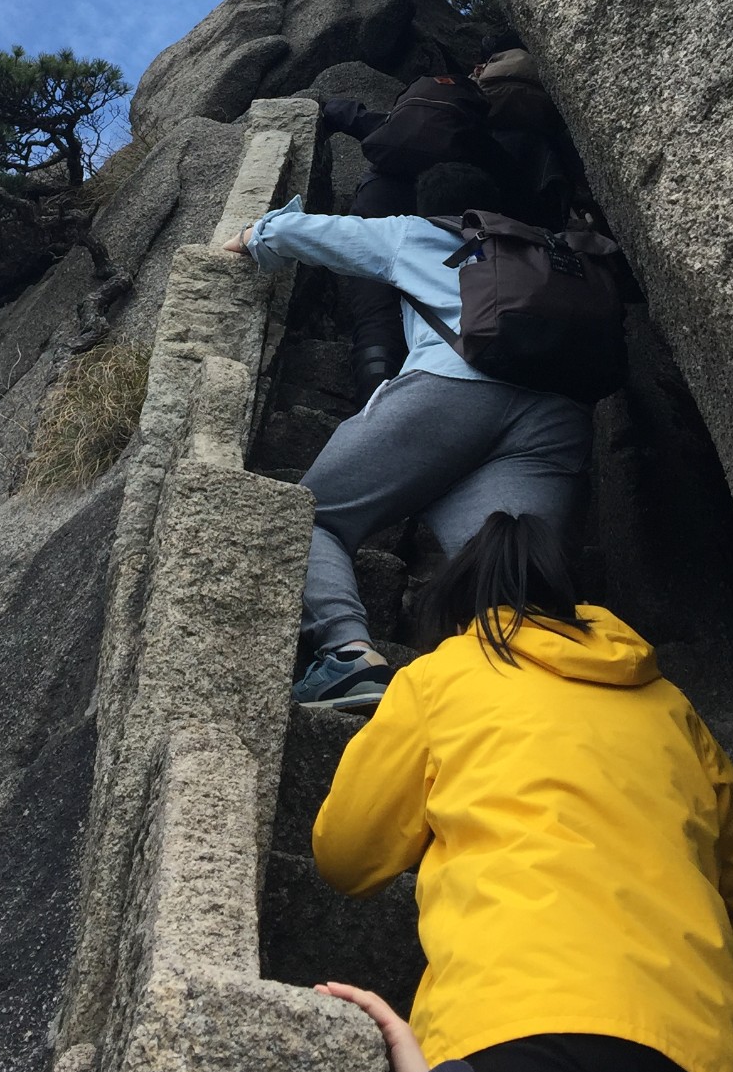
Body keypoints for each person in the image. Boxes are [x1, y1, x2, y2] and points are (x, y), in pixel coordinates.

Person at [311, 511, 733, 1072]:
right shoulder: (671, 708)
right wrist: (698, 1028)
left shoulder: (444, 674)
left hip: (523, 1047)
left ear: (456, 604)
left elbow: (344, 856)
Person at [224, 170, 593, 713]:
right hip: (561, 419)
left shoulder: (432, 233)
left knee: (310, 515)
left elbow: (330, 236)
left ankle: (349, 658)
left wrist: (258, 235)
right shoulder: (558, 257)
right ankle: (533, 705)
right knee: (511, 571)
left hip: (455, 389)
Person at [322, 42, 581, 400]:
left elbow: (373, 123)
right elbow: (543, 215)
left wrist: (327, 109)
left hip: (386, 193)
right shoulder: (539, 143)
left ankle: (374, 384)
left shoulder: (446, 111)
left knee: (376, 293)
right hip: (470, 226)